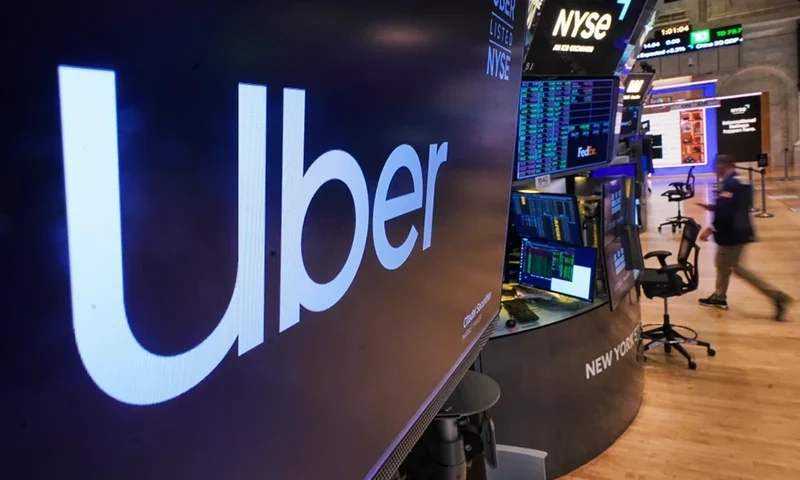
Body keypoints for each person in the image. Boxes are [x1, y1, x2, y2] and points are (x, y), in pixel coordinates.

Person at [698, 154, 791, 320]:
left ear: (724, 165)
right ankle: (719, 297)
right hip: (740, 230)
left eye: (716, 166)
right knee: (722, 264)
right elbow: (739, 207)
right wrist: (714, 207)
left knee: (736, 268)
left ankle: (777, 296)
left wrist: (710, 229)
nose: (714, 170)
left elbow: (727, 214)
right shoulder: (742, 182)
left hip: (732, 233)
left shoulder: (730, 183)